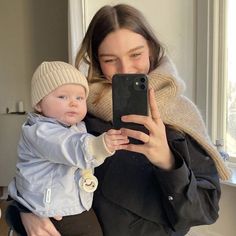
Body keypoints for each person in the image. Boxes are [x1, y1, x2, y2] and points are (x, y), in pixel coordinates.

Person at [8, 4, 230, 236]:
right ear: (96, 60)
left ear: (152, 50)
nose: (126, 69)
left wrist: (167, 161)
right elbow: (34, 167)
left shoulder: (181, 116)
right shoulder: (78, 111)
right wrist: (25, 211)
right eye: (110, 59)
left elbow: (204, 210)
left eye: (135, 54)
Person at [6, 61, 128, 236]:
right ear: (39, 104)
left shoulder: (76, 126)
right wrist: (99, 145)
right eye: (62, 97)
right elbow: (67, 145)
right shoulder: (40, 131)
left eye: (79, 98)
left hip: (72, 205)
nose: (73, 103)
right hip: (51, 210)